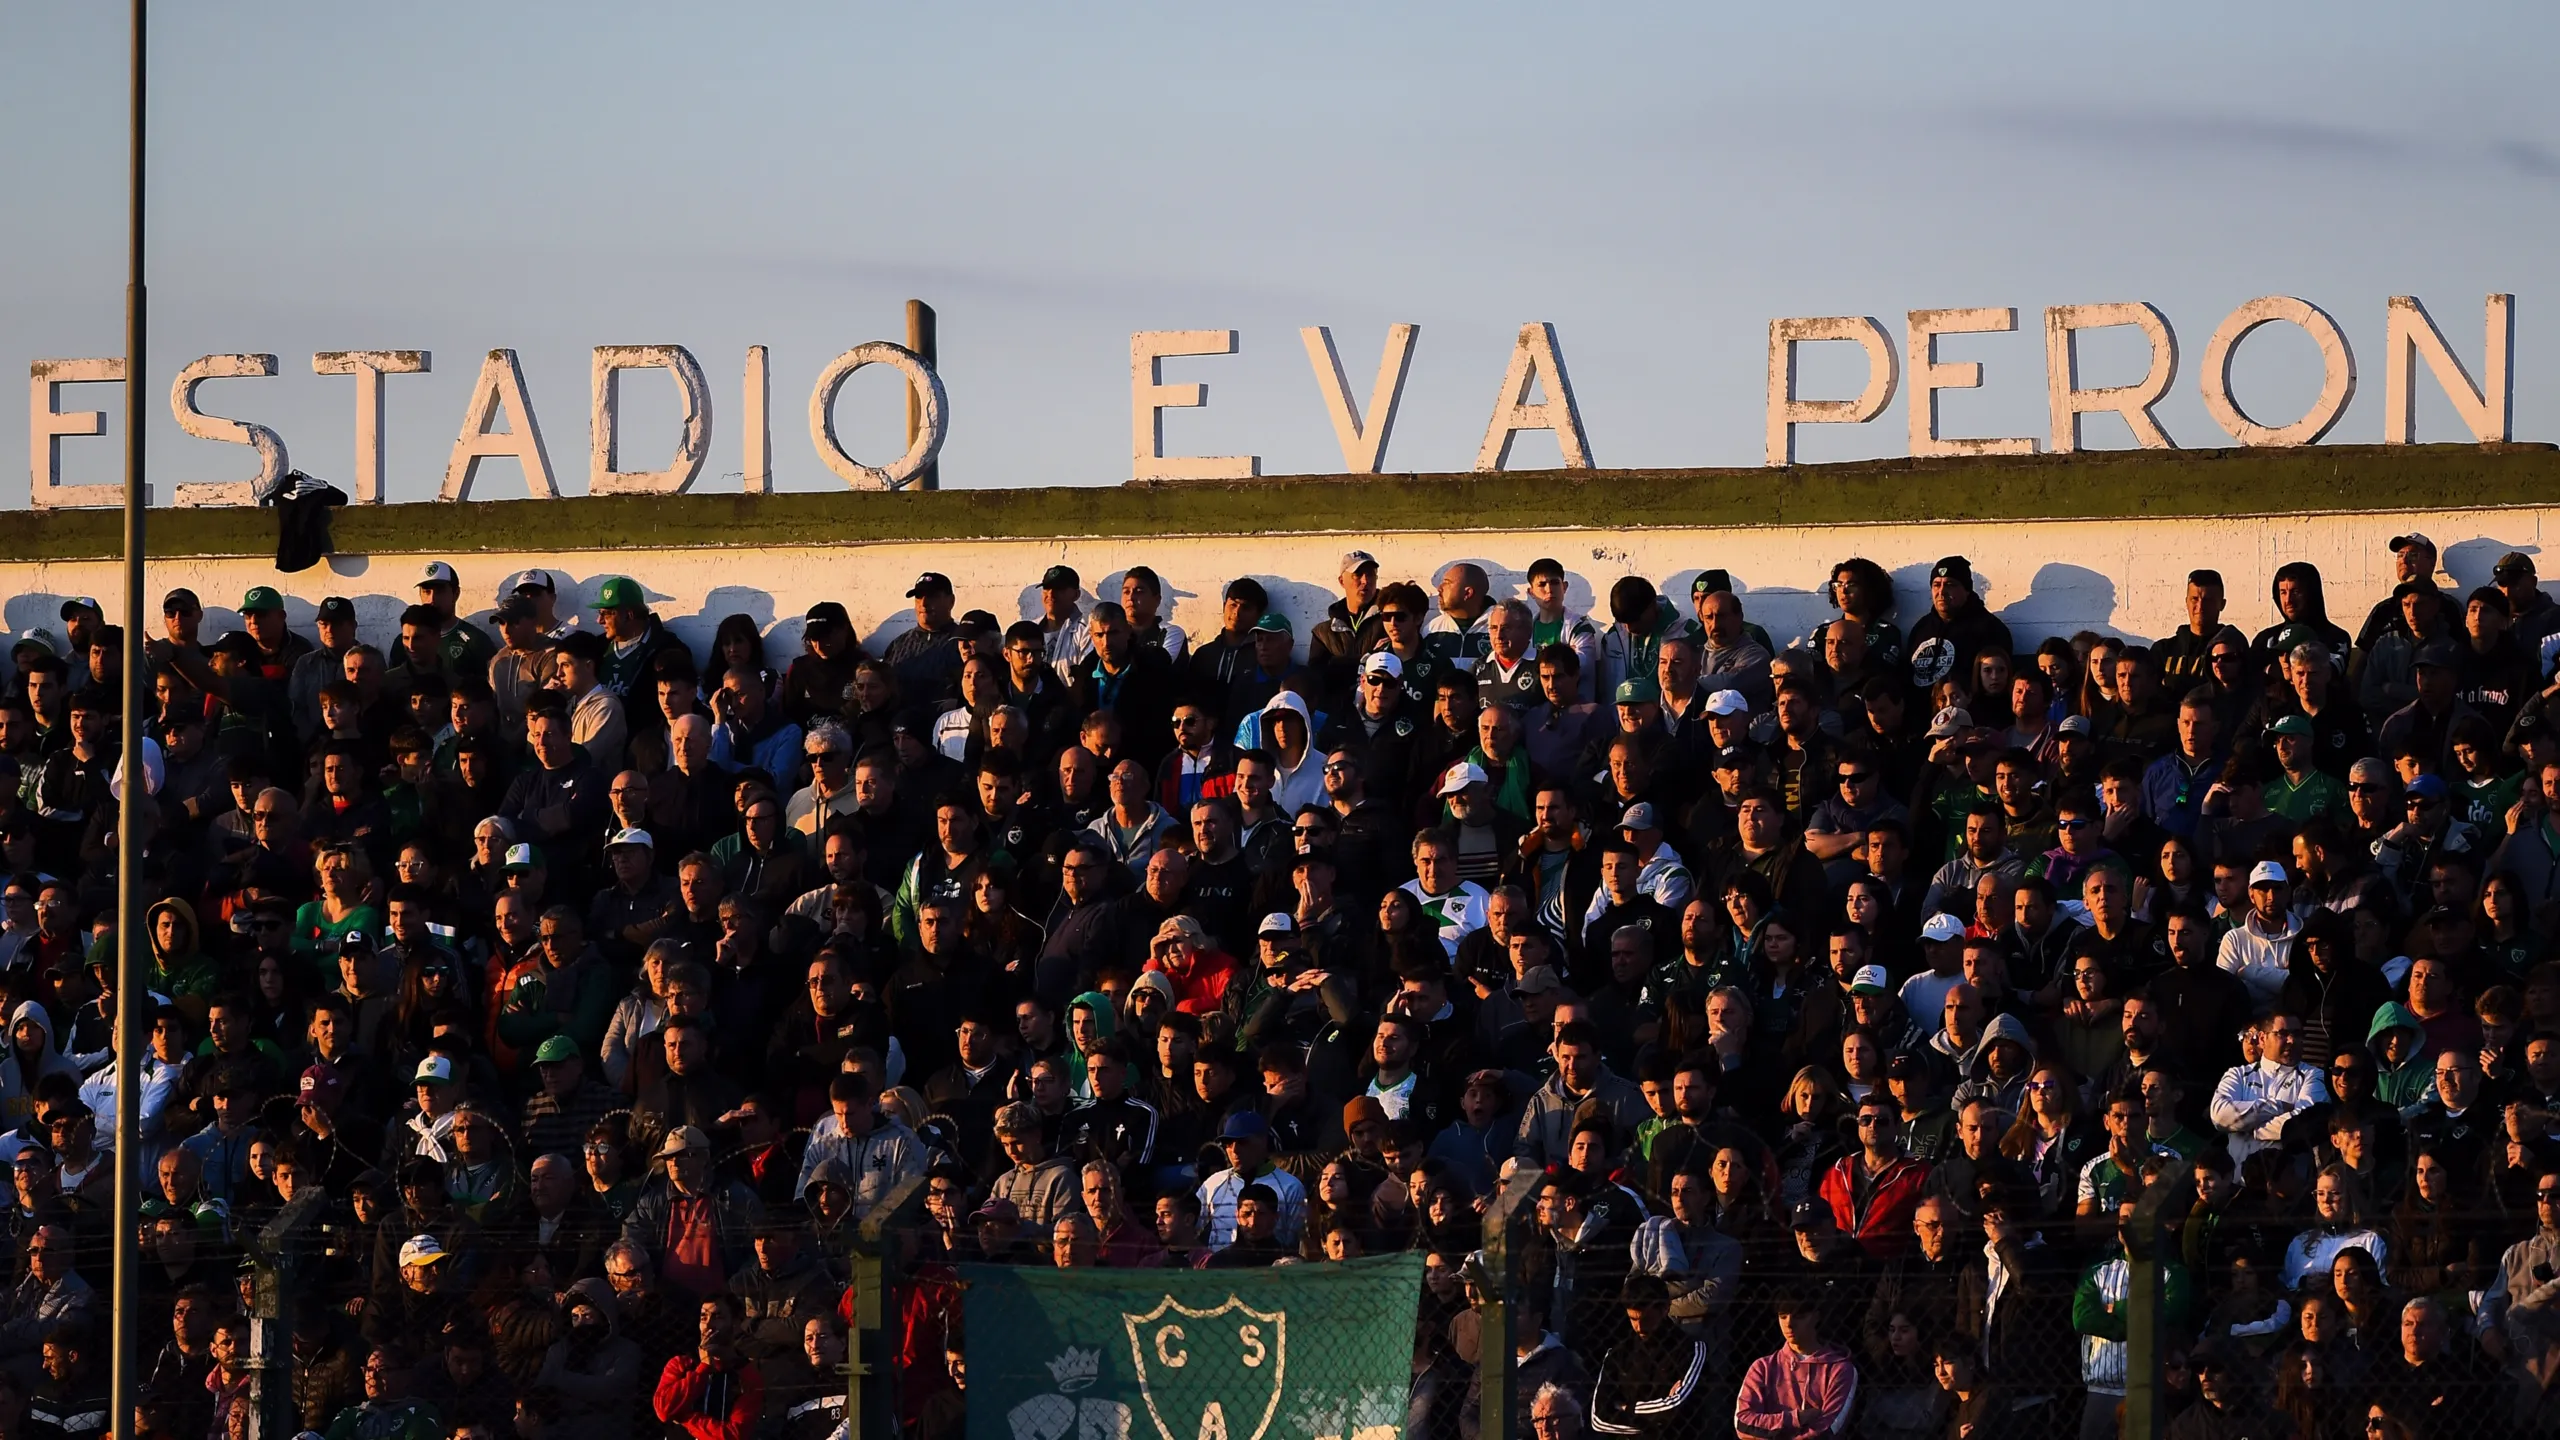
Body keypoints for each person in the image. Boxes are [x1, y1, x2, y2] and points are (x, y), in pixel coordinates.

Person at [1734, 1289, 1857, 1440]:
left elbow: (1828, 1429)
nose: (1789, 1324)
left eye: (1799, 1316)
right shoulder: (1762, 1367)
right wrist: (1795, 1418)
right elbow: (1743, 1423)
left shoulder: (1840, 1369)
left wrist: (1771, 1425)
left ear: (1816, 1317)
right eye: (1783, 1316)